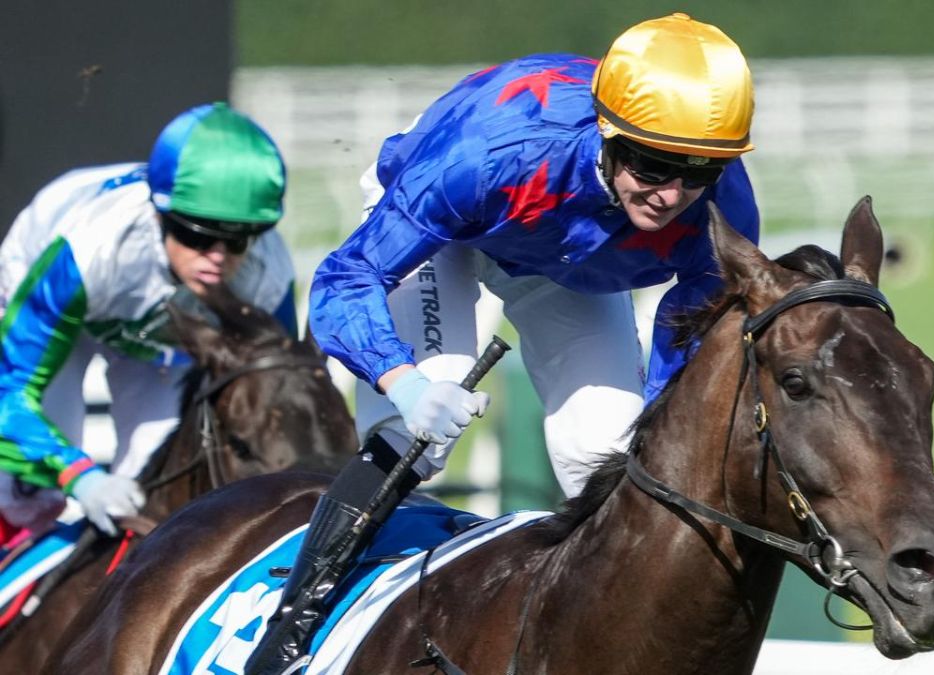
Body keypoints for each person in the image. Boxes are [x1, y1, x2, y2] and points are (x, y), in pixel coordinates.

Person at [248, 12, 760, 673]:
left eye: (699, 172)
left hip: (564, 259)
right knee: (416, 436)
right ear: (608, 133)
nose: (671, 196)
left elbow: (686, 334)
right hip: (452, 226)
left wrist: (659, 423)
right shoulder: (486, 157)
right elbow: (345, 280)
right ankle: (290, 631)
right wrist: (404, 382)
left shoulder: (724, 208)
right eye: (655, 165)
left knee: (609, 451)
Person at [0, 102, 296, 541]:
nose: (216, 257)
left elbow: (282, 396)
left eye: (236, 240)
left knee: (155, 494)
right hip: (67, 309)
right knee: (24, 493)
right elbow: (10, 392)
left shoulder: (268, 274)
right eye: (197, 234)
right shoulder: (90, 250)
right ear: (159, 216)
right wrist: (79, 476)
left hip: (164, 343)